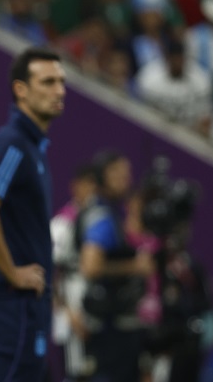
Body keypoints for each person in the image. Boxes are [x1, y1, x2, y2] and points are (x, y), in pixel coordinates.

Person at [0, 47, 66, 382]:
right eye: (48, 81)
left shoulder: (32, 147)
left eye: (61, 82)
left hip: (29, 307)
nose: (60, 90)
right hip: (15, 305)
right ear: (21, 89)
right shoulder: (13, 143)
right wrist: (13, 273)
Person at [78, 150, 154, 382]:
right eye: (118, 173)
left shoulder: (109, 211)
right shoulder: (101, 216)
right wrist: (135, 266)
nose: (126, 179)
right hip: (108, 330)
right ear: (103, 176)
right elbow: (90, 267)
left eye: (127, 173)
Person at [51, 163, 98, 381]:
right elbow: (50, 272)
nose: (91, 191)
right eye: (86, 185)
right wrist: (69, 313)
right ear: (75, 187)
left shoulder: (102, 222)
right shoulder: (63, 223)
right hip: (71, 310)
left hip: (96, 308)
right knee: (74, 372)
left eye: (95, 186)